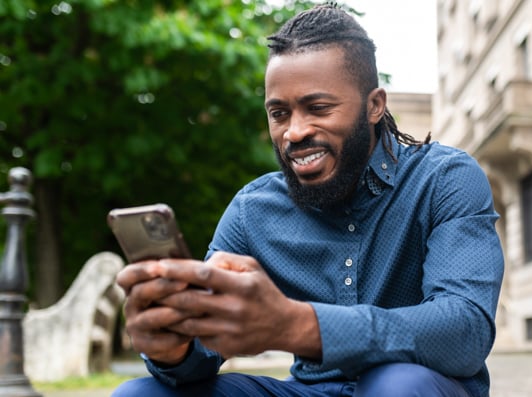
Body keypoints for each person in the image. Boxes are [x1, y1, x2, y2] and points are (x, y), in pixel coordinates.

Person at [112, 3, 504, 397]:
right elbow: (204, 347)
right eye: (279, 113)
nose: (294, 132)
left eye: (318, 108)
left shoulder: (444, 179)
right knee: (139, 395)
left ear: (374, 105)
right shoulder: (252, 211)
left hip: (419, 387)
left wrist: (298, 325)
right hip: (308, 391)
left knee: (395, 384)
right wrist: (173, 348)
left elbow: (465, 331)